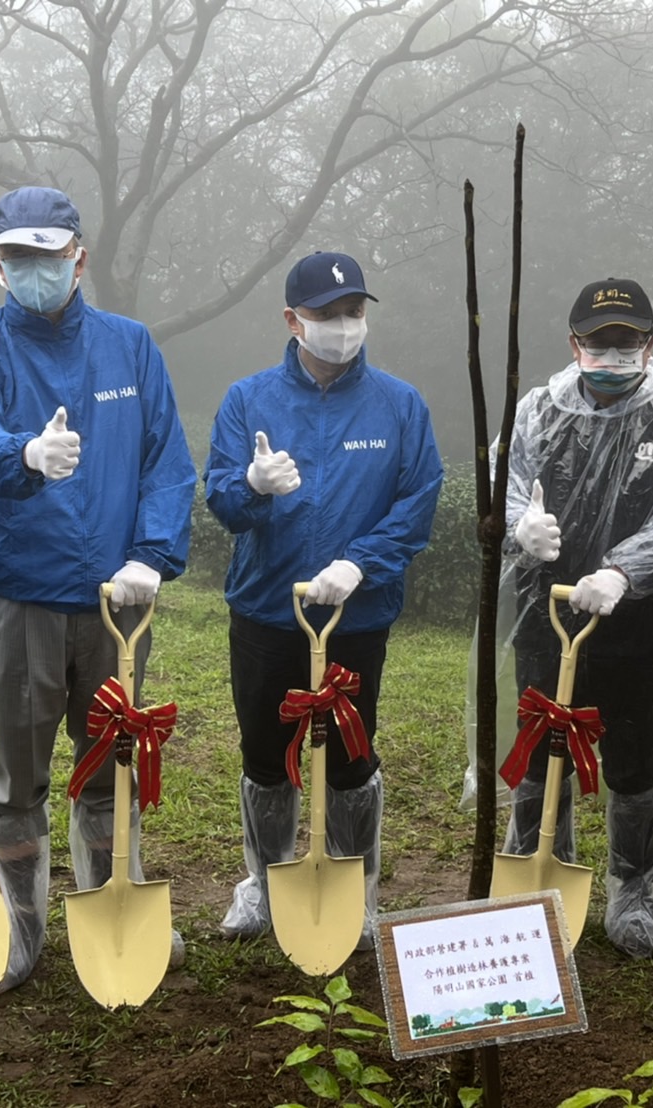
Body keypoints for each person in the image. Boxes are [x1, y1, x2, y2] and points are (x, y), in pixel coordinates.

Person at [0, 187, 197, 995]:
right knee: (16, 772)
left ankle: (113, 905)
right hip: (18, 596)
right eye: (17, 257)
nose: (34, 270)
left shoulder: (130, 347)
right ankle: (20, 926)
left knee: (113, 759)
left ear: (78, 257)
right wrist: (22, 454)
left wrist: (151, 554)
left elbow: (165, 459)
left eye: (47, 255)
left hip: (119, 603)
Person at [206, 250, 443, 945]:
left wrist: (361, 564)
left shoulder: (399, 405)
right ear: (293, 320)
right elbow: (222, 500)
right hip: (266, 609)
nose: (343, 325)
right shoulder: (248, 399)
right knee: (266, 753)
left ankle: (354, 891)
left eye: (353, 311)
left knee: (349, 757)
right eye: (326, 314)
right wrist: (251, 486)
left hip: (356, 617)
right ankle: (264, 881)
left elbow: (417, 502)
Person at [497, 278, 653, 957]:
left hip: (638, 620)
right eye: (600, 342)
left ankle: (639, 885)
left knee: (633, 754)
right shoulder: (538, 411)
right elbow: (509, 485)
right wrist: (521, 525)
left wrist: (623, 571)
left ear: (649, 344)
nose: (613, 353)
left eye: (627, 341)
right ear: (575, 345)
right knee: (541, 747)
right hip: (546, 612)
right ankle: (538, 870)